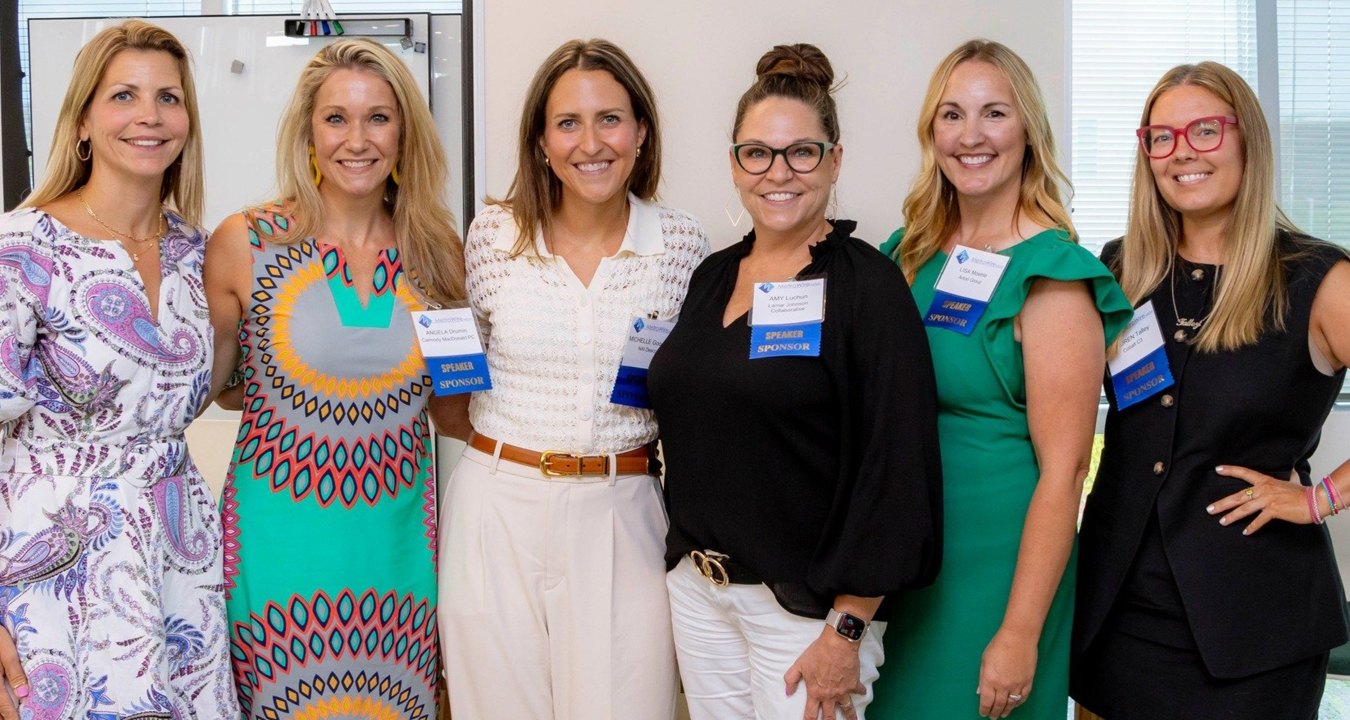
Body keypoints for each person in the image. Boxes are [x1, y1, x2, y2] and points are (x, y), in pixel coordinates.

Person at [648, 43, 942, 720]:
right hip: (700, 591)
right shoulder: (712, 276)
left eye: (801, 152)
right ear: (734, 164)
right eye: (758, 153)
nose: (778, 173)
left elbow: (895, 468)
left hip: (806, 614)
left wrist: (847, 631)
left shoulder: (867, 286)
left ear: (835, 160)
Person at [437, 38, 708, 720]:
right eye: (568, 123)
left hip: (625, 510)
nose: (592, 142)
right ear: (540, 141)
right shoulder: (493, 237)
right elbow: (455, 382)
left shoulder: (680, 246)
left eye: (610, 119)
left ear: (641, 132)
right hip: (498, 509)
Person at [1071, 61, 1350, 720]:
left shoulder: (1315, 278)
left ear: (1247, 139)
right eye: (1161, 137)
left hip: (1255, 628)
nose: (1182, 153)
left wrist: (1321, 499)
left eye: (1204, 130)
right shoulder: (1119, 267)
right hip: (1118, 609)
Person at [870, 39, 1132, 720]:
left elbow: (1065, 472)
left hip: (998, 569)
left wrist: (1018, 634)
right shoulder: (908, 251)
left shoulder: (1053, 274)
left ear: (1028, 132)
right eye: (952, 115)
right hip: (901, 563)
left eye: (994, 113)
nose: (972, 135)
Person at [203, 38, 466, 718]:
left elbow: (450, 407)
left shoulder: (437, 253)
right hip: (280, 550)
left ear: (404, 132)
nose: (358, 139)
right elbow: (222, 383)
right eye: (337, 118)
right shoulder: (246, 242)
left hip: (397, 555)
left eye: (378, 117)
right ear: (309, 132)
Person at [0, 20, 239, 718]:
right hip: (51, 564)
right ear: (81, 122)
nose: (149, 116)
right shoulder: (22, 246)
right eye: (124, 96)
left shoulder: (203, 253)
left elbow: (226, 385)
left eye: (168, 98)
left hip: (178, 555)